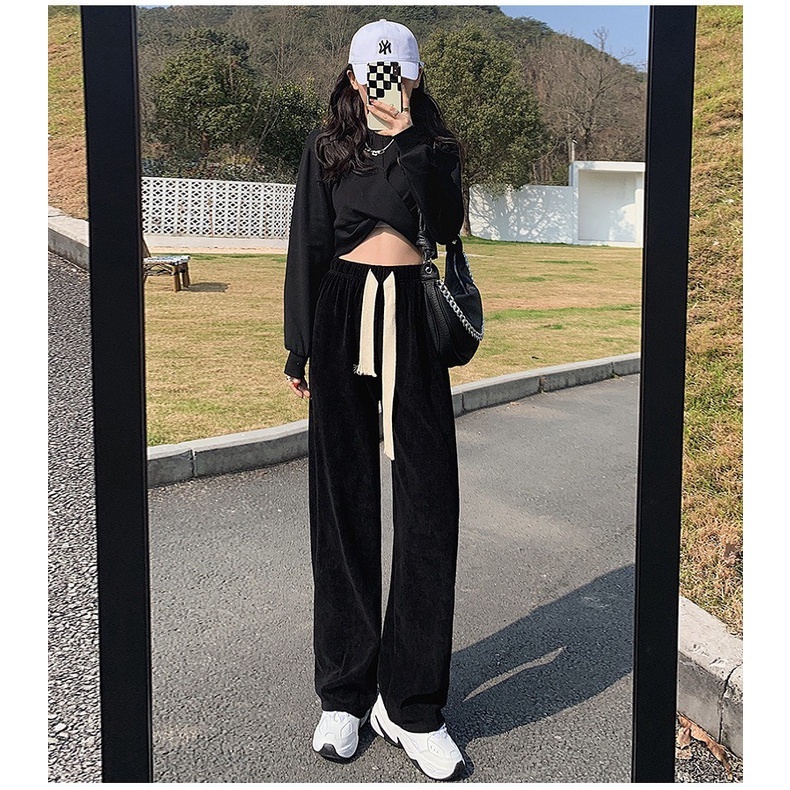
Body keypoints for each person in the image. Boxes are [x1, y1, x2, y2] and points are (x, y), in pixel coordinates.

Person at [282, 18, 466, 782]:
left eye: (401, 73)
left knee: (429, 506)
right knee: (342, 505)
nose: (387, 84)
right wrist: (299, 345)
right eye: (375, 73)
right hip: (343, 313)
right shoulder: (327, 146)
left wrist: (413, 139)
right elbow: (308, 240)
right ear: (355, 77)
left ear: (414, 76)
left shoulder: (436, 147)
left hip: (413, 320)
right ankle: (345, 694)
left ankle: (411, 704)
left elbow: (447, 224)